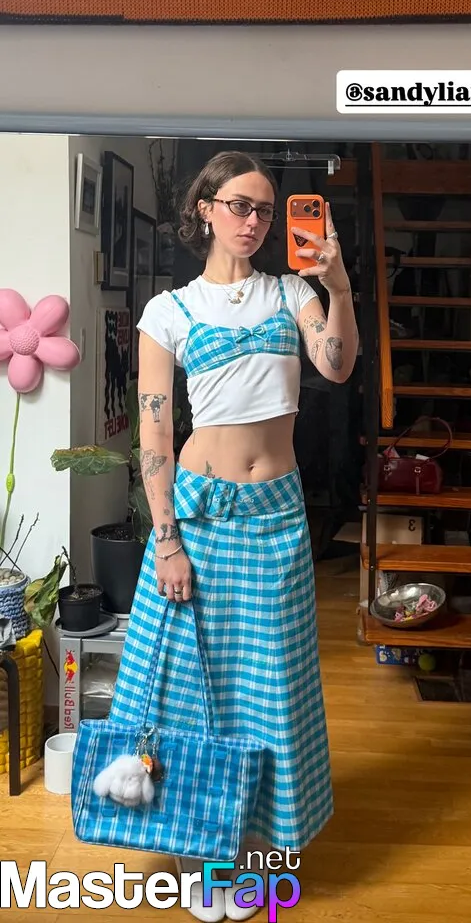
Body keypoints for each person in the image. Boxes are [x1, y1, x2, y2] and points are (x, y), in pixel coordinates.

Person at [107, 150, 359, 922]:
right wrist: (167, 540)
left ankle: (248, 850)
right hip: (199, 516)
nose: (253, 220)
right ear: (206, 209)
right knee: (189, 690)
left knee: (267, 691)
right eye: (239, 205)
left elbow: (336, 365)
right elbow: (155, 433)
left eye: (265, 209)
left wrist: (340, 286)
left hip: (275, 517)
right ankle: (198, 851)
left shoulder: (292, 294)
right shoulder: (168, 312)